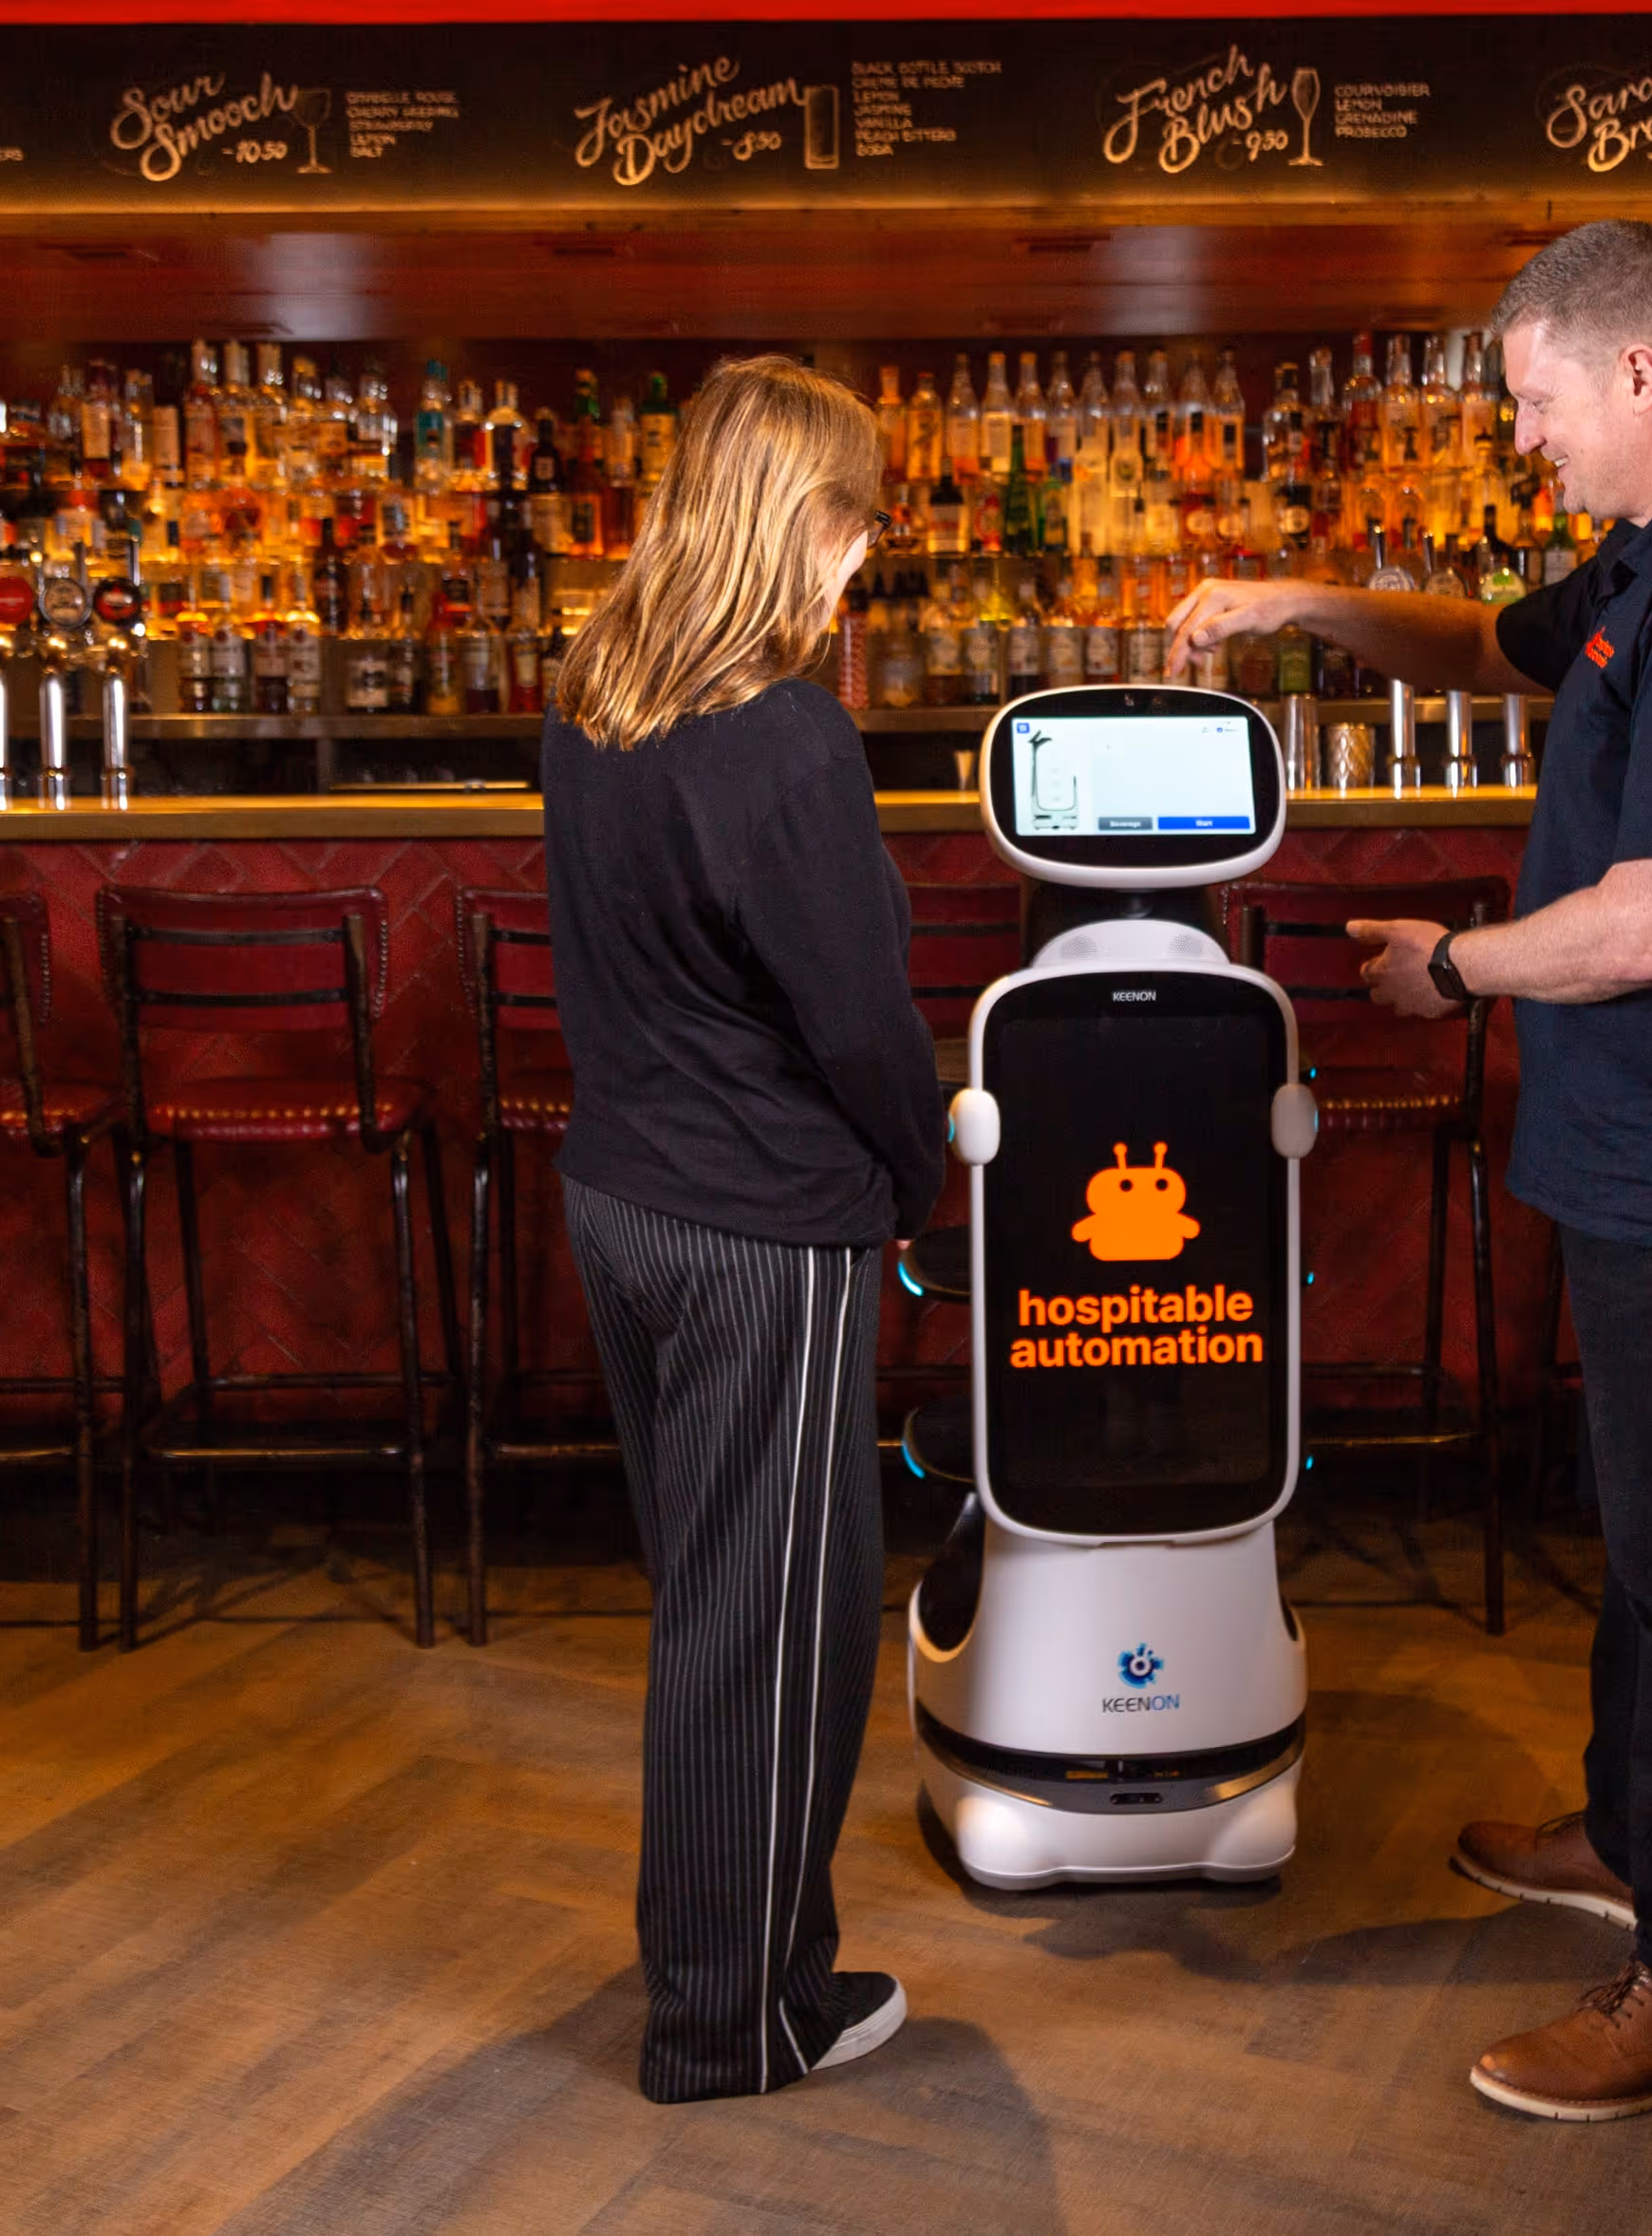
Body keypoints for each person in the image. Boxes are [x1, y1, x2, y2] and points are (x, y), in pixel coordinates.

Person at [1167, 222, 1652, 2121]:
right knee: (1649, 1536)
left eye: (1539, 401)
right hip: (1650, 1140)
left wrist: (1456, 967)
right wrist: (1294, 600)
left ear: (1638, 372)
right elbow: (1490, 645)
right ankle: (1634, 1835)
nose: (1527, 437)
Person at [542, 357, 944, 2104]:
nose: (863, 557)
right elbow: (859, 1020)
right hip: (760, 1228)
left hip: (624, 1200)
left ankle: (744, 1964)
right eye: (859, 521)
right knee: (779, 1633)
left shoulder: (594, 690)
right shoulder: (787, 734)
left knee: (716, 1614)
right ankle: (732, 2020)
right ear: (808, 517)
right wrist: (920, 1172)